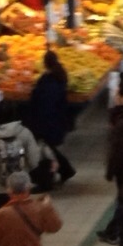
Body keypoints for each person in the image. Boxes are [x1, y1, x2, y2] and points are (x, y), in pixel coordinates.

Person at [0, 103, 53, 211]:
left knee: (1, 217)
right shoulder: (25, 133)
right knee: (23, 217)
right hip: (22, 187)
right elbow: (34, 162)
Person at [26, 50, 75, 180]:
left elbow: (44, 103)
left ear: (45, 63)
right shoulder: (59, 77)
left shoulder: (48, 81)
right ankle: (65, 170)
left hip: (47, 121)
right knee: (49, 149)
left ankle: (51, 176)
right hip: (56, 120)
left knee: (45, 150)